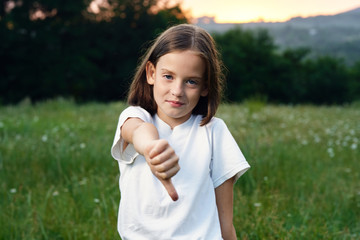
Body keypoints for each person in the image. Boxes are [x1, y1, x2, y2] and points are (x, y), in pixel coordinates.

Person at [111, 24, 250, 240]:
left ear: (205, 87)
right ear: (151, 73)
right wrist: (151, 148)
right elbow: (138, 131)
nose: (177, 91)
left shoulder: (214, 131)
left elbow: (225, 223)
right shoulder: (135, 116)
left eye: (191, 82)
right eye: (168, 76)